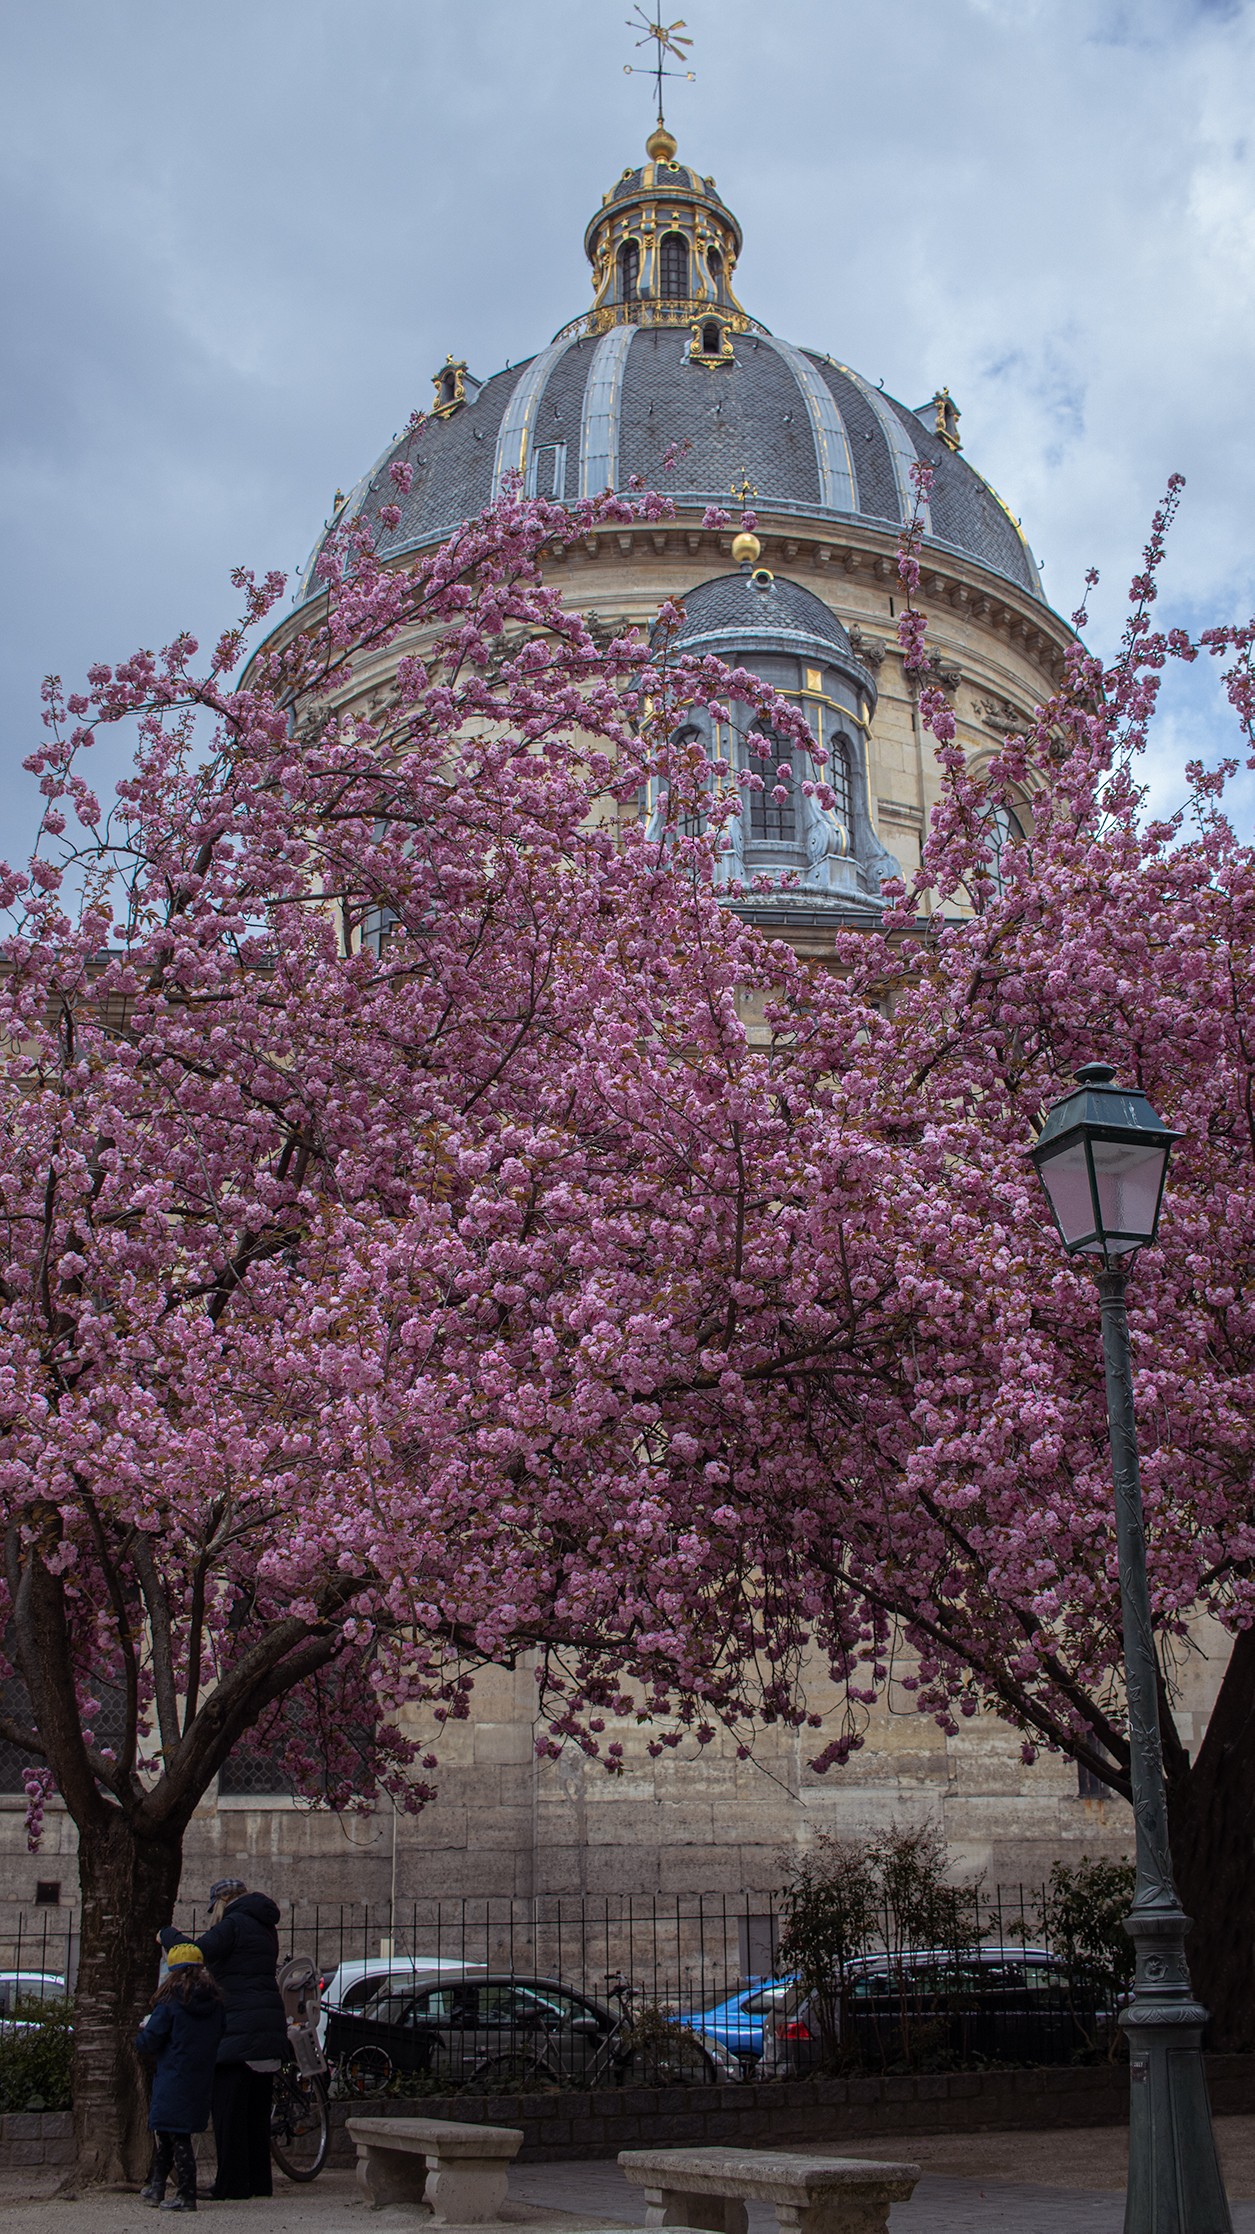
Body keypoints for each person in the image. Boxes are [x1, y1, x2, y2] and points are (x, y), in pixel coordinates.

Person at [195, 1879, 288, 2201]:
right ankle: (259, 2183)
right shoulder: (264, 1925)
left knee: (229, 2113)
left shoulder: (232, 1923)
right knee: (255, 2115)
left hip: (238, 2028)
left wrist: (167, 1936)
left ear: (221, 1901)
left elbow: (196, 1952)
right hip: (267, 2024)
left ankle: (232, 2185)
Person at [134, 1942, 225, 2212]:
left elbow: (152, 2039)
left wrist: (140, 2037)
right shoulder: (215, 2001)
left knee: (177, 2135)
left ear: (172, 1970)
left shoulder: (171, 2000)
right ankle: (157, 2186)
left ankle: (186, 2195)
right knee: (169, 2133)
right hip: (200, 2074)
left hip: (173, 2074)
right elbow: (221, 2031)